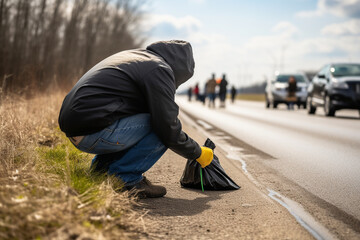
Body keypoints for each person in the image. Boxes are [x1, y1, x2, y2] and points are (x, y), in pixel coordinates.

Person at [58, 40, 214, 198]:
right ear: (180, 71)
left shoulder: (137, 58)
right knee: (161, 126)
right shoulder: (159, 69)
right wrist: (197, 152)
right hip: (92, 131)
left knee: (150, 119)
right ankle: (125, 180)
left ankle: (101, 171)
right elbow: (167, 127)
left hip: (78, 128)